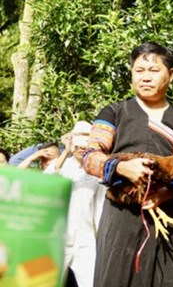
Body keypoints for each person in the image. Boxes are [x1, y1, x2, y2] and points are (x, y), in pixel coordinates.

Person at [83, 42, 173, 287]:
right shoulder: (114, 113)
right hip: (122, 217)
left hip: (171, 215)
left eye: (153, 70)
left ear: (171, 74)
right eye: (139, 70)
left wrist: (172, 190)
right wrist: (121, 168)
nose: (145, 77)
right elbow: (90, 156)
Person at [44, 120, 106, 287]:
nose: (81, 148)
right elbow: (47, 182)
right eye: (79, 144)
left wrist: (101, 237)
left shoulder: (96, 172)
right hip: (57, 236)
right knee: (47, 281)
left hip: (85, 238)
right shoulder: (61, 166)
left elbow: (100, 207)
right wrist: (66, 151)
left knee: (92, 282)